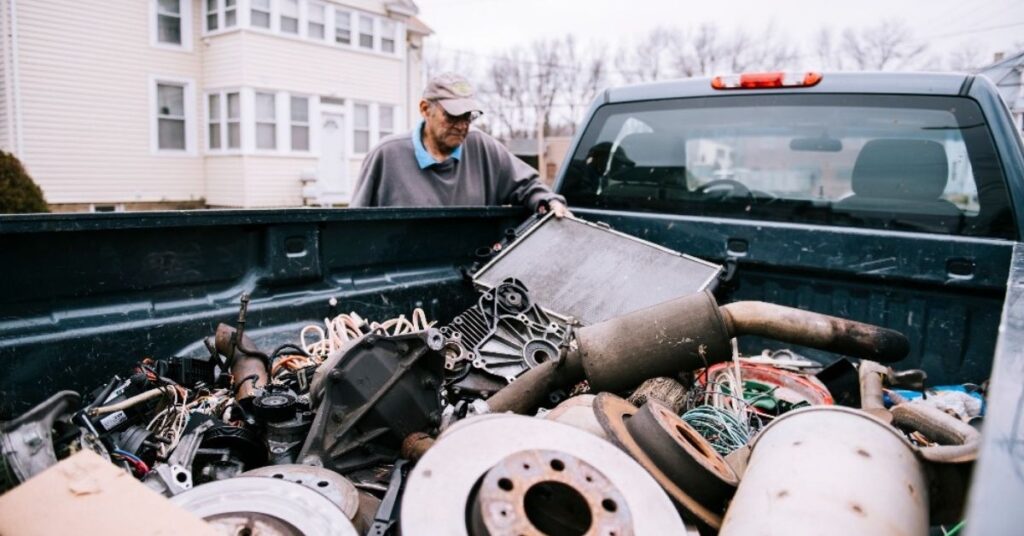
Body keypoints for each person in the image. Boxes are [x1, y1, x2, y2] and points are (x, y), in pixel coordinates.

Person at [350, 72, 570, 217]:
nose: (462, 125)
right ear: (425, 109)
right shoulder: (387, 156)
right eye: (453, 116)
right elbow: (352, 227)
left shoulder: (482, 148)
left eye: (468, 116)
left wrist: (548, 202)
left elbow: (527, 186)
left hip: (468, 273)